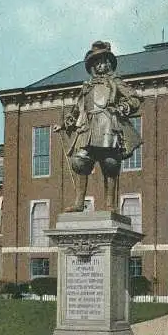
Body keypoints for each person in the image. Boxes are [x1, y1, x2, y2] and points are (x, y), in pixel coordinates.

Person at [53, 40, 142, 212]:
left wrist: (122, 107)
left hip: (108, 126)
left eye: (103, 61)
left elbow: (135, 99)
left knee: (110, 163)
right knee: (80, 162)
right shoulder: (87, 87)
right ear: (93, 65)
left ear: (108, 63)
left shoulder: (115, 82)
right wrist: (64, 125)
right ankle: (79, 203)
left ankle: (110, 205)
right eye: (97, 62)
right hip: (88, 128)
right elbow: (76, 110)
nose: (100, 65)